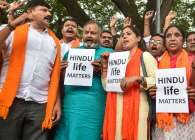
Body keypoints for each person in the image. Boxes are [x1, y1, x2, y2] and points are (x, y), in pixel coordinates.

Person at [0, 1, 61, 140]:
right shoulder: (12, 30)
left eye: (49, 11)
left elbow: (54, 76)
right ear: (30, 12)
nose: (49, 14)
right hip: (11, 101)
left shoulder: (55, 42)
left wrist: (57, 103)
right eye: (44, 10)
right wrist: (12, 24)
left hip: (40, 105)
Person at [54, 20, 113, 140]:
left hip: (96, 106)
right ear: (82, 34)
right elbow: (59, 82)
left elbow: (117, 82)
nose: (89, 35)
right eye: (87, 32)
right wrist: (61, 71)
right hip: (70, 105)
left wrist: (104, 70)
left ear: (100, 36)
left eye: (93, 33)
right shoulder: (71, 53)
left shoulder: (109, 54)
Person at [102, 25, 157, 140]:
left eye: (128, 34)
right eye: (122, 35)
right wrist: (105, 67)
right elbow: (107, 86)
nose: (124, 37)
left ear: (138, 38)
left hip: (138, 111)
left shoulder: (145, 56)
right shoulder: (117, 59)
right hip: (116, 111)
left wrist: (137, 78)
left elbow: (157, 80)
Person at [151, 25, 195, 140]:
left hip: (188, 117)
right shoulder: (155, 62)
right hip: (164, 119)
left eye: (177, 35)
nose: (172, 38)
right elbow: (150, 86)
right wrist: (153, 91)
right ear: (164, 42)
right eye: (168, 36)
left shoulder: (193, 60)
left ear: (183, 41)